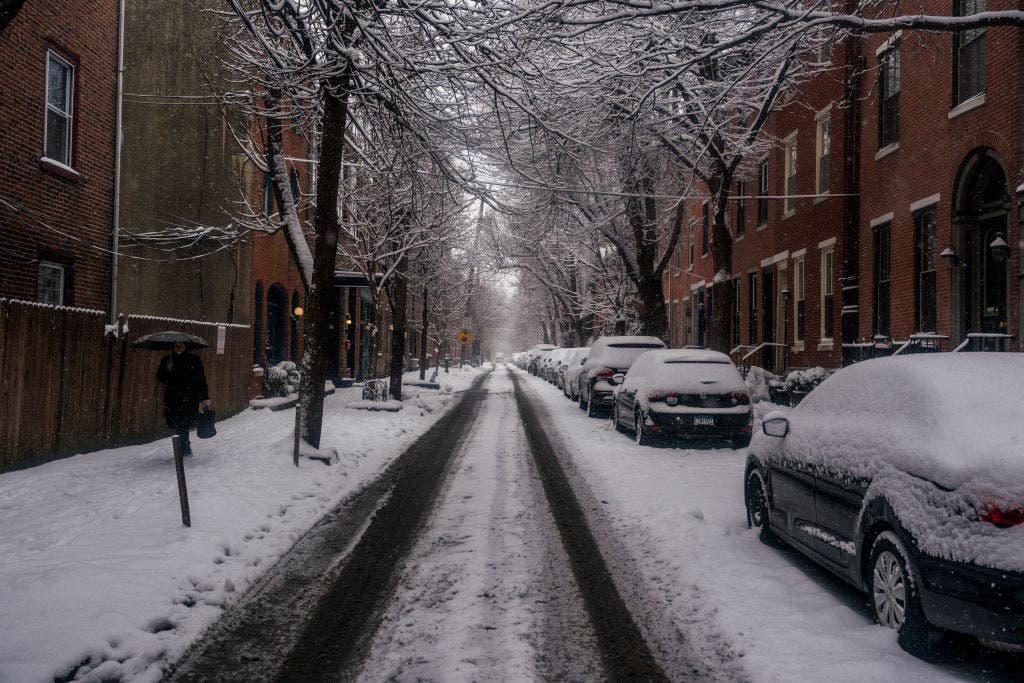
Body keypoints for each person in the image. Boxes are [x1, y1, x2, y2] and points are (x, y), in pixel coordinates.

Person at [156, 340, 211, 456]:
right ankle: (183, 448)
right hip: (172, 398)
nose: (179, 347)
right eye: (176, 345)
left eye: (181, 345)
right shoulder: (167, 359)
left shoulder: (194, 359)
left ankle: (184, 449)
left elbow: (201, 379)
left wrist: (204, 398)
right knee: (177, 424)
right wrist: (168, 369)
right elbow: (161, 378)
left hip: (189, 397)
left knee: (183, 424)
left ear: (186, 346)